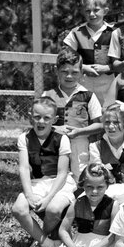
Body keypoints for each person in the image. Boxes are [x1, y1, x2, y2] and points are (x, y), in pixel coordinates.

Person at [12, 96, 74, 247]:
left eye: (47, 118)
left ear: (55, 119)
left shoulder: (62, 139)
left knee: (53, 209)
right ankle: (49, 245)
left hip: (60, 183)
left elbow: (62, 173)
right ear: (30, 116)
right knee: (19, 208)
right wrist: (29, 194)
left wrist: (48, 198)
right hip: (38, 182)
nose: (41, 121)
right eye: (37, 117)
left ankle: (40, 240)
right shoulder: (24, 138)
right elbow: (24, 168)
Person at [42, 48, 103, 179]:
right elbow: (39, 123)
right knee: (54, 176)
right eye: (64, 71)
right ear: (56, 70)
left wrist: (79, 132)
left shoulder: (88, 96)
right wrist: (55, 129)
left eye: (74, 72)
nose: (69, 76)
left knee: (79, 176)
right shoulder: (47, 96)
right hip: (54, 145)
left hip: (80, 146)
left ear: (81, 72)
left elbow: (100, 125)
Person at [57, 162, 117, 247]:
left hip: (102, 246)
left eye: (100, 187)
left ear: (107, 186)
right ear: (83, 185)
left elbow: (113, 235)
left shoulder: (113, 205)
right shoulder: (76, 204)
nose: (94, 191)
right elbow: (63, 229)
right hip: (80, 244)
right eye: (89, 187)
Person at [61, 0, 115, 103]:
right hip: (82, 82)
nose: (91, 14)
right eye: (87, 11)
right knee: (81, 114)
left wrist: (107, 68)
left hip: (108, 84)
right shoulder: (76, 33)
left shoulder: (114, 33)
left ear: (105, 11)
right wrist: (83, 67)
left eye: (96, 10)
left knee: (107, 115)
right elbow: (65, 58)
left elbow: (122, 60)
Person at [87, 103, 124, 199]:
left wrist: (122, 198)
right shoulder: (96, 147)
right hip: (105, 192)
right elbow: (97, 179)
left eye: (116, 122)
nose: (111, 126)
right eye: (107, 122)